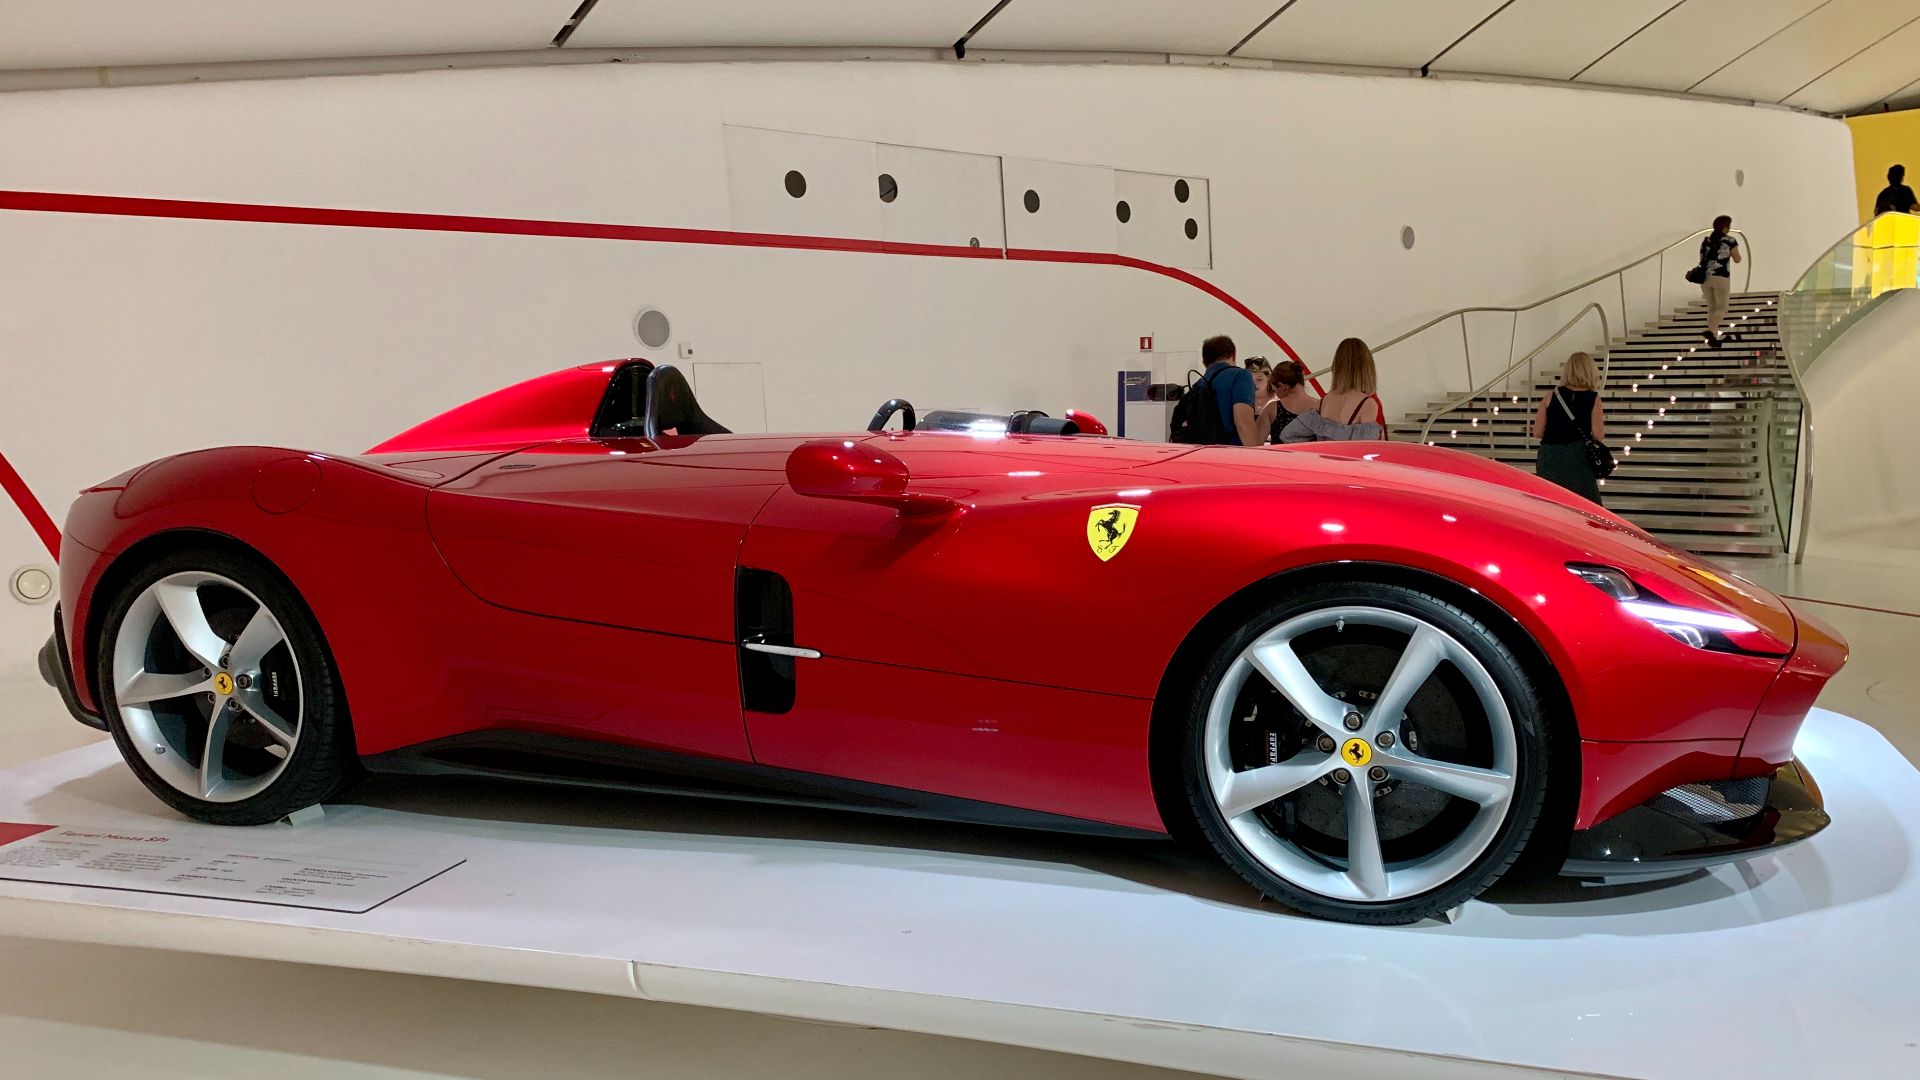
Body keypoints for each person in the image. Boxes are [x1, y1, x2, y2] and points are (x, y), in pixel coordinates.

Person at [1531, 351, 1607, 504]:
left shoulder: (1551, 396)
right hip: (1577, 456)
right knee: (1586, 505)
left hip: (1550, 456)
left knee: (1551, 502)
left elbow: (1537, 432)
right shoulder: (1593, 398)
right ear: (1590, 371)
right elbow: (1599, 435)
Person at [1280, 338, 1386, 442]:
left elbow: (1288, 435)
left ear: (1337, 366)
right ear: (1367, 367)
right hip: (1352, 459)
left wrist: (1317, 452)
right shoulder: (1368, 404)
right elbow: (1367, 450)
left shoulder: (1323, 402)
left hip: (1322, 459)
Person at [1199, 334, 1269, 447]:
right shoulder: (1240, 376)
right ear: (1233, 355)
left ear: (1204, 362)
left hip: (1203, 453)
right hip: (1231, 451)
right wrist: (1257, 455)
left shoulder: (1199, 384)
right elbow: (1243, 422)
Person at [1698, 215, 1741, 349]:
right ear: (1725, 227)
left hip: (1704, 278)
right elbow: (1737, 259)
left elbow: (1701, 259)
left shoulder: (1706, 240)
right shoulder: (1730, 241)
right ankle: (1711, 332)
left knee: (1712, 308)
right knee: (1722, 308)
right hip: (1721, 277)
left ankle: (1714, 337)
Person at [1258, 359, 1319, 443]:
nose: (1276, 394)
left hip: (1281, 456)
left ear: (1283, 387)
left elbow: (1255, 443)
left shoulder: (1272, 408)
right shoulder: (1320, 406)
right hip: (1311, 455)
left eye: (1275, 389)